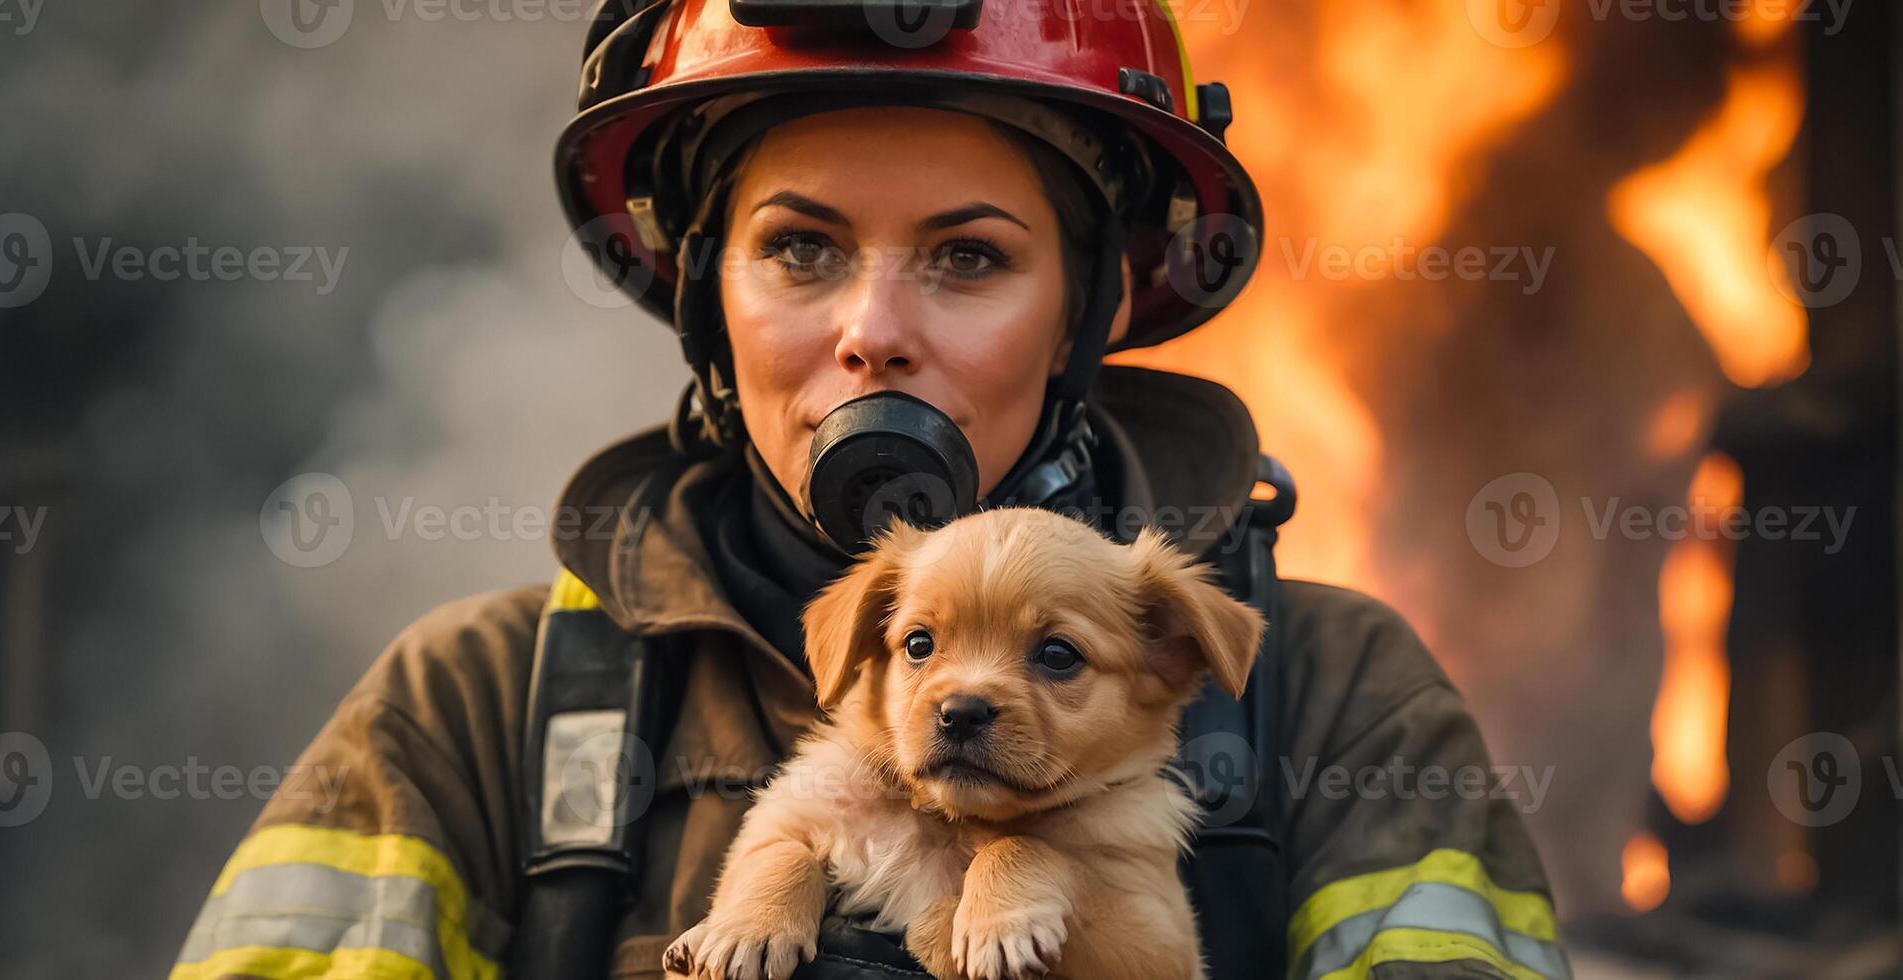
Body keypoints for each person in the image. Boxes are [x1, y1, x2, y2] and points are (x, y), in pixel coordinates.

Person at [172, 0, 1569, 977]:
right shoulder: (474, 708)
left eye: (967, 258)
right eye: (798, 249)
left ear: (1084, 310)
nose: (871, 329)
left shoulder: (1333, 694)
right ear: (705, 302)